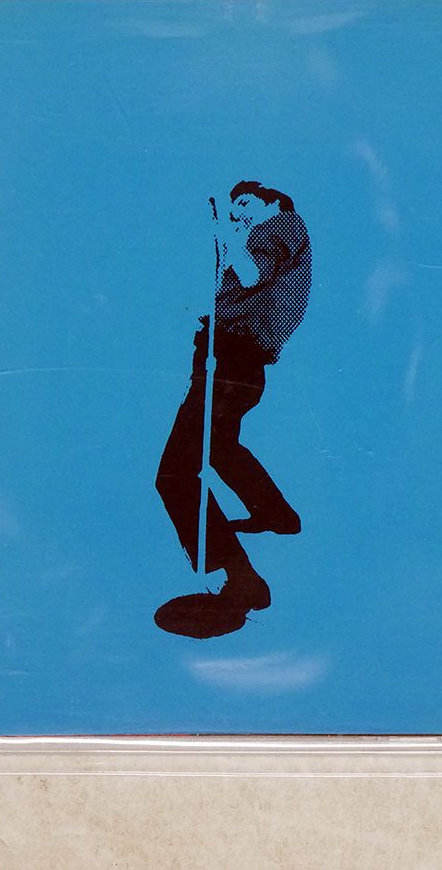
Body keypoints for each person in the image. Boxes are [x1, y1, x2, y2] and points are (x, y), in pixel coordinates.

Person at [154, 180, 312, 638]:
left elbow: (249, 274)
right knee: (220, 447)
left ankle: (240, 578)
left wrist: (225, 232)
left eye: (244, 203)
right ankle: (276, 514)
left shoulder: (280, 226)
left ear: (273, 201)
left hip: (230, 361)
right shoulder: (281, 235)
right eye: (234, 207)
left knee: (175, 474)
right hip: (236, 361)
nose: (238, 212)